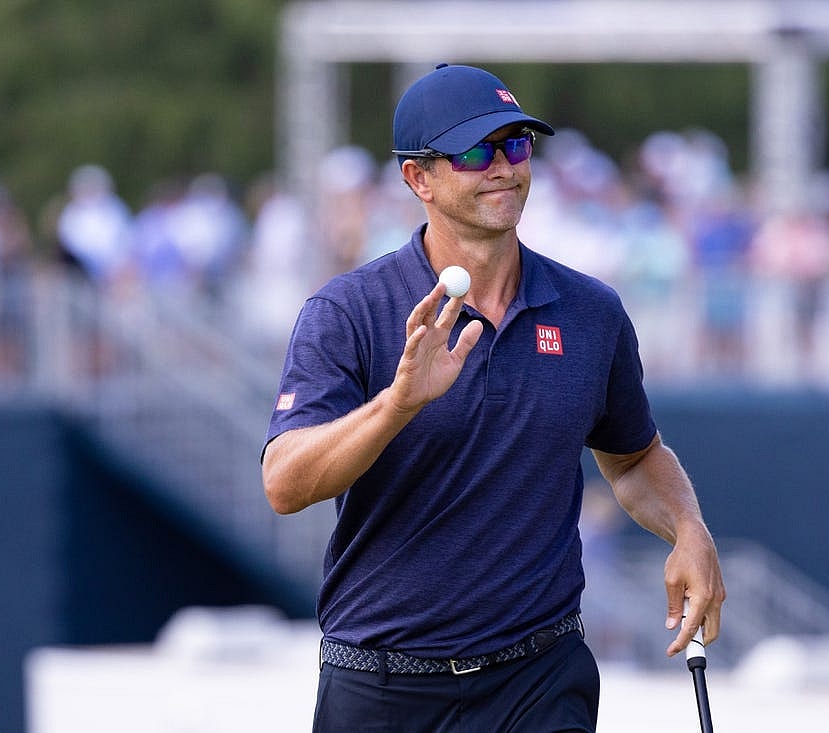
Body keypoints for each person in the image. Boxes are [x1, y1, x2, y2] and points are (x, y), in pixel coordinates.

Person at [261, 63, 725, 732]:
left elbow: (633, 456)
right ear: (418, 177)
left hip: (539, 679)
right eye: (476, 152)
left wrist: (688, 526)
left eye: (517, 145)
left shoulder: (591, 312)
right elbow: (284, 481)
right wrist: (397, 404)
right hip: (384, 685)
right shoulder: (349, 311)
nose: (504, 167)